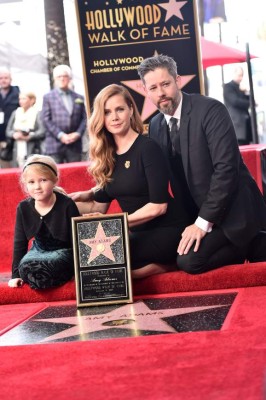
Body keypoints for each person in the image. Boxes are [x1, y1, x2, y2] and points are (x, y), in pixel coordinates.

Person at [136, 54, 266, 274]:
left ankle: (253, 242)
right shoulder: (156, 125)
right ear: (145, 90)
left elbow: (226, 170)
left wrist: (202, 223)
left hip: (234, 212)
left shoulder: (210, 110)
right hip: (196, 215)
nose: (161, 93)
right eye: (153, 88)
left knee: (189, 262)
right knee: (159, 249)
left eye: (166, 84)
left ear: (178, 81)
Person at [69, 84, 188, 279]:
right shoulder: (107, 156)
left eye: (120, 109)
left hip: (167, 230)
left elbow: (158, 207)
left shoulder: (148, 148)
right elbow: (96, 210)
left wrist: (115, 223)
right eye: (107, 112)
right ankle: (140, 272)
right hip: (134, 233)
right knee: (83, 256)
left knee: (102, 258)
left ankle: (156, 268)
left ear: (131, 110)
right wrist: (58, 202)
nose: (114, 117)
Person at [8, 154, 80, 289]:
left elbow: (78, 240)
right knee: (26, 266)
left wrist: (80, 271)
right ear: (25, 184)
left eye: (43, 180)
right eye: (31, 182)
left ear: (55, 180)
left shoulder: (67, 204)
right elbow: (20, 242)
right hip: (39, 250)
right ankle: (41, 278)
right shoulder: (23, 207)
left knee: (53, 264)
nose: (37, 187)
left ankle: (47, 277)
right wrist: (15, 275)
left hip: (63, 251)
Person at [41, 64, 87, 163]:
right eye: (59, 77)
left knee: (75, 174)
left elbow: (84, 119)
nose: (62, 79)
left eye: (65, 76)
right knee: (54, 175)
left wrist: (78, 133)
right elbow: (45, 119)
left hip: (75, 144)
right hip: (55, 144)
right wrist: (61, 135)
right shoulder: (48, 97)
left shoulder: (79, 97)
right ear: (55, 79)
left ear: (70, 78)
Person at [5, 91, 45, 167]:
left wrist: (29, 136)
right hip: (17, 147)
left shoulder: (37, 113)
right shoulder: (16, 112)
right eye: (20, 99)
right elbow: (8, 130)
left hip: (32, 147)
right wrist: (14, 134)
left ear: (32, 100)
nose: (21, 101)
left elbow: (42, 131)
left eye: (24, 99)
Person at [223, 66, 253, 145]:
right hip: (237, 124)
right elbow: (235, 101)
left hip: (245, 124)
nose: (241, 78)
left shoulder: (241, 88)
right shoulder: (228, 87)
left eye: (242, 75)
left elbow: (249, 99)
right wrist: (249, 103)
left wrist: (246, 92)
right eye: (239, 75)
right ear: (234, 74)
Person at [0, 67, 20, 168]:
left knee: (13, 166)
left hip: (13, 136)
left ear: (10, 79)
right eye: (1, 78)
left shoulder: (17, 93)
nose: (3, 80)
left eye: (6, 78)